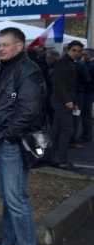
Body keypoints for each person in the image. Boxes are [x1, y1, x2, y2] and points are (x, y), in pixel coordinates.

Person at [0, 27, 46, 245]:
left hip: (11, 141)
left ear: (20, 46)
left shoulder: (28, 69)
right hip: (1, 139)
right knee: (7, 196)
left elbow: (29, 110)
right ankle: (11, 241)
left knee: (16, 197)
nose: (0, 48)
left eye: (5, 44)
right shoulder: (8, 67)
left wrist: (10, 136)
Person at [50, 41, 83, 170]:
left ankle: (52, 158)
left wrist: (73, 102)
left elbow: (69, 86)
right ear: (68, 50)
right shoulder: (63, 63)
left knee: (57, 130)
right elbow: (59, 83)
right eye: (74, 50)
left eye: (79, 51)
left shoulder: (69, 63)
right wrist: (68, 101)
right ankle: (62, 160)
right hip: (62, 101)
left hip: (63, 100)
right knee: (66, 130)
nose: (77, 53)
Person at [70, 44, 90, 147]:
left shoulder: (65, 63)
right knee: (76, 116)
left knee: (68, 117)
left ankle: (68, 139)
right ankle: (72, 140)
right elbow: (87, 79)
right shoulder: (81, 65)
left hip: (69, 93)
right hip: (79, 93)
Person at [78, 48, 94, 142]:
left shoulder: (91, 65)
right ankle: (86, 134)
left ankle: (86, 135)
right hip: (88, 91)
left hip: (88, 92)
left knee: (86, 113)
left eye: (85, 54)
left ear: (91, 55)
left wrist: (88, 86)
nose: (83, 56)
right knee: (85, 114)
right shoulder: (88, 64)